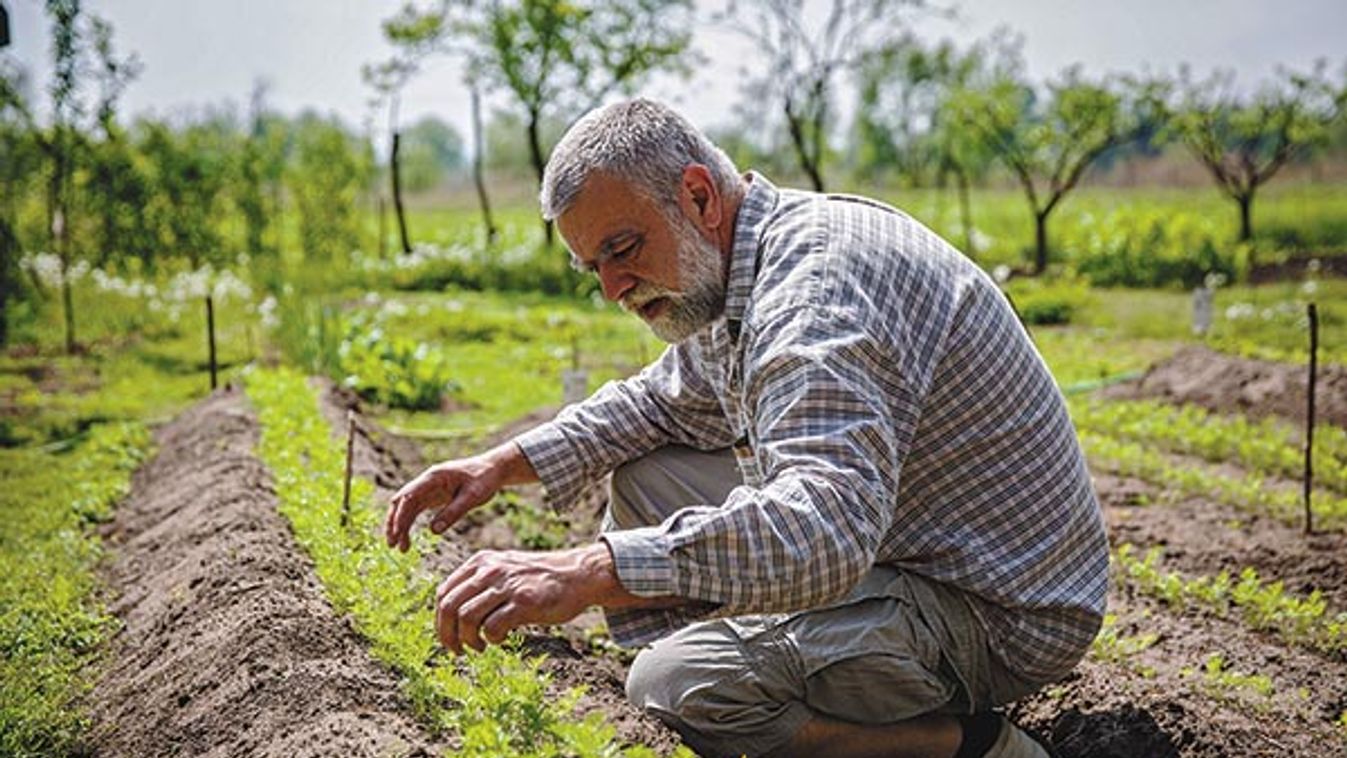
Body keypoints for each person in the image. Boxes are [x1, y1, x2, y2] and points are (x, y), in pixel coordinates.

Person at [384, 98, 1108, 758]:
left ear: (698, 196)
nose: (611, 289)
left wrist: (588, 570)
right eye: (591, 268)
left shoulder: (813, 297)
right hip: (913, 533)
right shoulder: (744, 265)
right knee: (648, 472)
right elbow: (659, 403)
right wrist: (498, 465)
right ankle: (758, 670)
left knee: (674, 685)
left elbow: (825, 530)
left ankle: (972, 746)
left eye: (622, 249)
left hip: (993, 608)